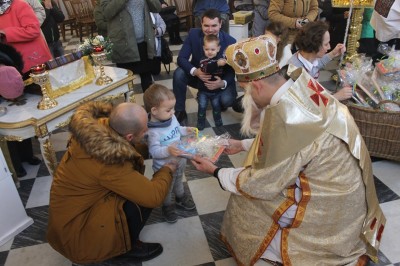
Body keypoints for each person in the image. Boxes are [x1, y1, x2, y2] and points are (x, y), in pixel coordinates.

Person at [190, 34, 385, 265]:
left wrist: (215, 171)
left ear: (258, 85)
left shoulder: (291, 122)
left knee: (245, 199)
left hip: (327, 208)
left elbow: (259, 182)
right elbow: (294, 148)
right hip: (345, 193)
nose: (246, 96)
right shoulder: (300, 84)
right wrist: (241, 144)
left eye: (245, 89)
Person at [47, 101, 177, 264]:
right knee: (141, 201)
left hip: (70, 215)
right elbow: (154, 196)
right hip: (78, 233)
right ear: (129, 136)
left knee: (135, 190)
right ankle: (123, 250)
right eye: (145, 129)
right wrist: (167, 169)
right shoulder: (109, 162)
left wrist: (153, 147)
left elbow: (129, 147)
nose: (148, 131)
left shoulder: (97, 129)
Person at [173, 8, 238, 125]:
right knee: (179, 73)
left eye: (214, 25)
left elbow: (232, 70)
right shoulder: (193, 34)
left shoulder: (230, 41)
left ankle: (216, 98)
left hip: (220, 78)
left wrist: (222, 83)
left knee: (226, 101)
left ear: (220, 24)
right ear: (201, 24)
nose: (210, 29)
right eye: (206, 25)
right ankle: (180, 111)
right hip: (199, 76)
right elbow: (181, 58)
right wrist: (195, 71)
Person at [143, 84, 196, 223]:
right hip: (164, 167)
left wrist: (186, 130)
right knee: (167, 188)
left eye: (172, 108)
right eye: (168, 110)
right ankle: (167, 206)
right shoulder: (153, 131)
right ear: (154, 110)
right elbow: (153, 151)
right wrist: (167, 150)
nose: (172, 112)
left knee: (179, 180)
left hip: (180, 159)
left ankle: (180, 197)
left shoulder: (171, 118)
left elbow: (178, 129)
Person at [101, 0, 161, 92]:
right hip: (124, 44)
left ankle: (150, 105)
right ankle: (128, 106)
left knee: (147, 80)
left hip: (144, 42)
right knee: (126, 83)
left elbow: (157, 8)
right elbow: (106, 13)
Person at [288, 21, 352, 101]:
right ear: (315, 45)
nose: (329, 47)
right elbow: (308, 102)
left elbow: (318, 63)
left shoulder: (308, 58)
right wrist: (336, 97)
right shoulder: (296, 70)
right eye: (326, 44)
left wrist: (333, 53)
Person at [0, 0, 52, 75]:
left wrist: (5, 33)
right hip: (13, 62)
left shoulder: (19, 4)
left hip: (33, 61)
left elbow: (33, 30)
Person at [197, 34, 227, 129]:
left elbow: (228, 71)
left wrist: (226, 61)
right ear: (203, 48)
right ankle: (201, 121)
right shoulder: (203, 60)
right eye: (207, 49)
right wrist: (217, 63)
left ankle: (218, 120)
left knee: (216, 107)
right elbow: (207, 69)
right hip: (203, 91)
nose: (209, 52)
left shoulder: (220, 59)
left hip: (216, 91)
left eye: (213, 49)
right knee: (202, 107)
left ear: (218, 49)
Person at [150, 11, 166, 75]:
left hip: (155, 48)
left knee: (156, 72)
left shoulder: (154, 13)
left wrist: (156, 31)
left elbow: (163, 25)